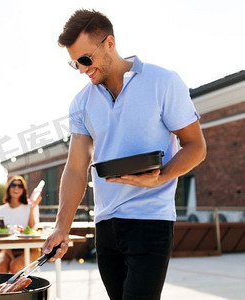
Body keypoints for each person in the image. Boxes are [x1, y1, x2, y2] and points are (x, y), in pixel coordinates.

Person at [42, 9, 207, 300]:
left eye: (85, 59)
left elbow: (196, 146)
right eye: (74, 63)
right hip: (105, 226)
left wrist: (162, 177)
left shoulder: (162, 82)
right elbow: (77, 168)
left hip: (150, 220)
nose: (81, 69)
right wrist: (61, 228)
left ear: (109, 43)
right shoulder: (81, 103)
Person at [0, 176, 42, 273]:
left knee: (15, 265)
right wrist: (11, 256)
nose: (16, 188)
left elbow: (33, 229)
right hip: (8, 249)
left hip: (31, 249)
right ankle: (3, 289)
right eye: (13, 185)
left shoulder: (31, 206)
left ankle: (17, 288)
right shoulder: (1, 210)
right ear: (8, 188)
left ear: (23, 190)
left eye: (20, 186)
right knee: (1, 264)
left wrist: (32, 209)